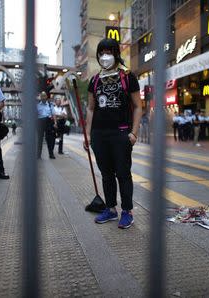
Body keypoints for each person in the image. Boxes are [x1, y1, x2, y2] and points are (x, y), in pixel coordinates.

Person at [85, 38, 142, 229]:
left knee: (123, 173)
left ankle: (127, 211)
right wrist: (88, 135)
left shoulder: (127, 77)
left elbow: (137, 107)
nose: (104, 56)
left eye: (108, 52)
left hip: (121, 134)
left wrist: (134, 133)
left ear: (116, 54)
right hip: (100, 135)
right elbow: (91, 109)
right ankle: (110, 209)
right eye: (101, 53)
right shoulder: (94, 80)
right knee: (106, 174)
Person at [36, 92, 57, 159]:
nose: (43, 97)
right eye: (42, 96)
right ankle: (38, 155)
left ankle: (51, 154)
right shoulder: (37, 106)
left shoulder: (50, 105)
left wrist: (55, 122)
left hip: (49, 122)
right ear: (41, 97)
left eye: (45, 96)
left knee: (50, 139)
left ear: (46, 97)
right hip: (40, 122)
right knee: (40, 139)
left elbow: (53, 114)